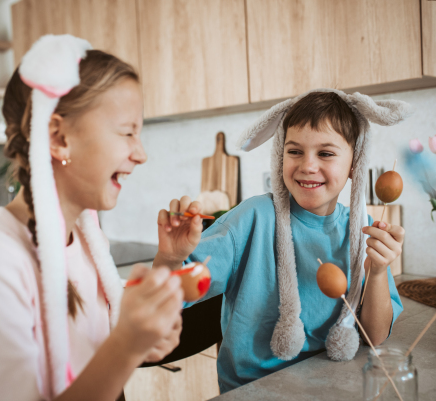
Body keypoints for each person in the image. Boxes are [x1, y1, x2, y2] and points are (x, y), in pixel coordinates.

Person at [0, 35, 183, 401]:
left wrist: (164, 271)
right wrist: (127, 346)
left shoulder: (83, 240)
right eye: (128, 132)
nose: (140, 154)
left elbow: (95, 363)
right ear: (58, 137)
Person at [153, 90, 412, 392]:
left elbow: (374, 336)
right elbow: (165, 296)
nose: (307, 166)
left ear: (354, 162)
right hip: (253, 389)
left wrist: (378, 271)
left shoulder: (363, 230)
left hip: (333, 386)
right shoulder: (251, 218)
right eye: (295, 151)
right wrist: (170, 258)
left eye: (325, 153)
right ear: (280, 155)